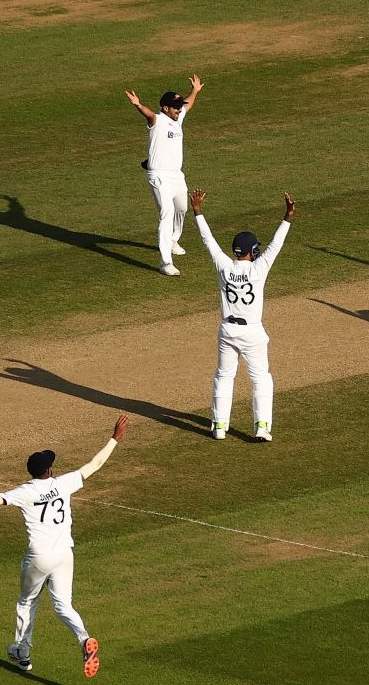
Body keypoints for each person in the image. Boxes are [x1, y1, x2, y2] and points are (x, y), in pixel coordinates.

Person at [0, 414, 128, 679]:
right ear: (48, 470)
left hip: (39, 557)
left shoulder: (25, 492)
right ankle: (83, 639)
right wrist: (114, 438)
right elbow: (95, 464)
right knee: (63, 606)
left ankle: (22, 654)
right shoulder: (63, 483)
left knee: (27, 602)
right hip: (64, 554)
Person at [190, 189, 294, 441]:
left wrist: (198, 211)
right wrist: (287, 216)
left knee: (224, 376)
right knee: (261, 378)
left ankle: (219, 426)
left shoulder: (224, 266)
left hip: (227, 330)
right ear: (253, 250)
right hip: (252, 332)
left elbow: (208, 240)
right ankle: (261, 426)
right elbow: (276, 244)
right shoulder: (259, 268)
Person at [124, 75, 203, 273]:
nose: (179, 109)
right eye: (175, 107)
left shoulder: (177, 119)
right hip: (159, 176)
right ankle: (165, 262)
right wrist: (138, 105)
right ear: (165, 108)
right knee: (166, 214)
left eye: (179, 106)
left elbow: (188, 105)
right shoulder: (157, 121)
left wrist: (195, 91)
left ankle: (173, 240)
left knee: (182, 208)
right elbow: (149, 115)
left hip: (177, 175)